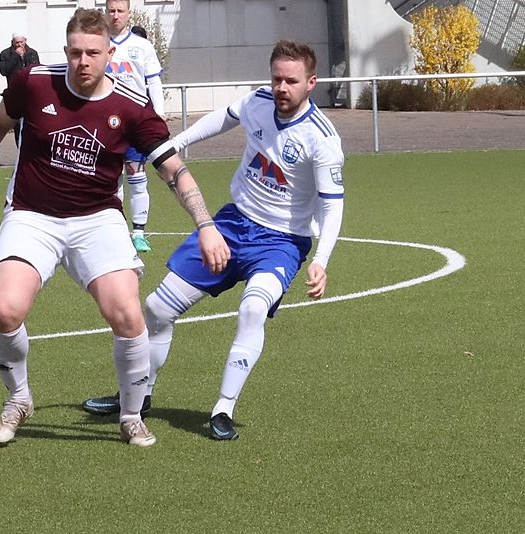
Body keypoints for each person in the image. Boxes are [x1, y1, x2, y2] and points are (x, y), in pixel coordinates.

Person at [0, 8, 229, 447]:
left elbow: (174, 170)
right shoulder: (34, 82)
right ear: (66, 50)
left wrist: (205, 225)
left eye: (93, 53)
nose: (83, 61)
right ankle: (19, 398)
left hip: (97, 220)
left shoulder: (131, 106)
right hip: (32, 214)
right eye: (76, 52)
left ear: (109, 53)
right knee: (5, 309)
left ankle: (131, 414)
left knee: (128, 314)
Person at [82, 40, 346, 442]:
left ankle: (223, 409)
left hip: (281, 241)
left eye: (291, 81)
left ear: (311, 83)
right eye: (276, 78)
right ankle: (137, 396)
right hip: (232, 225)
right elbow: (223, 117)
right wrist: (177, 143)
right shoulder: (258, 102)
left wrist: (321, 259)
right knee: (156, 309)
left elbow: (332, 205)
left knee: (253, 309)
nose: (281, 87)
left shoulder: (322, 139)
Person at [105, 0, 165, 253]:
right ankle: (115, 230)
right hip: (104, 123)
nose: (115, 15)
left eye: (120, 11)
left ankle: (139, 232)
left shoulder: (142, 46)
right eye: (111, 10)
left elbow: (154, 82)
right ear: (105, 12)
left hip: (134, 123)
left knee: (137, 177)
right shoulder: (98, 43)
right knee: (109, 179)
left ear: (128, 14)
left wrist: (158, 115)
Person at [0, 32, 40, 147]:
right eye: (17, 42)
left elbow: (37, 69)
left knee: (32, 122)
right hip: (15, 93)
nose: (19, 45)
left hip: (31, 93)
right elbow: (3, 71)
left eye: (21, 42)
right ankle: (20, 148)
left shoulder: (32, 53)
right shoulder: (6, 54)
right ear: (12, 42)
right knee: (18, 124)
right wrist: (16, 56)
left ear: (25, 41)